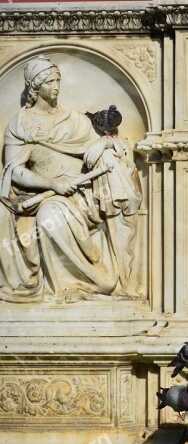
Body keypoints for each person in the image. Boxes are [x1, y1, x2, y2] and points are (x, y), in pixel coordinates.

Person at [0, 55, 142, 302]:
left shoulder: (75, 120)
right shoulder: (19, 125)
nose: (56, 87)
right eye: (49, 82)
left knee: (50, 216)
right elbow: (16, 171)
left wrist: (106, 147)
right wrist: (53, 184)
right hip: (40, 193)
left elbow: (93, 153)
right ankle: (46, 287)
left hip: (81, 194)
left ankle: (88, 284)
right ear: (35, 87)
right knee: (35, 213)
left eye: (58, 80)